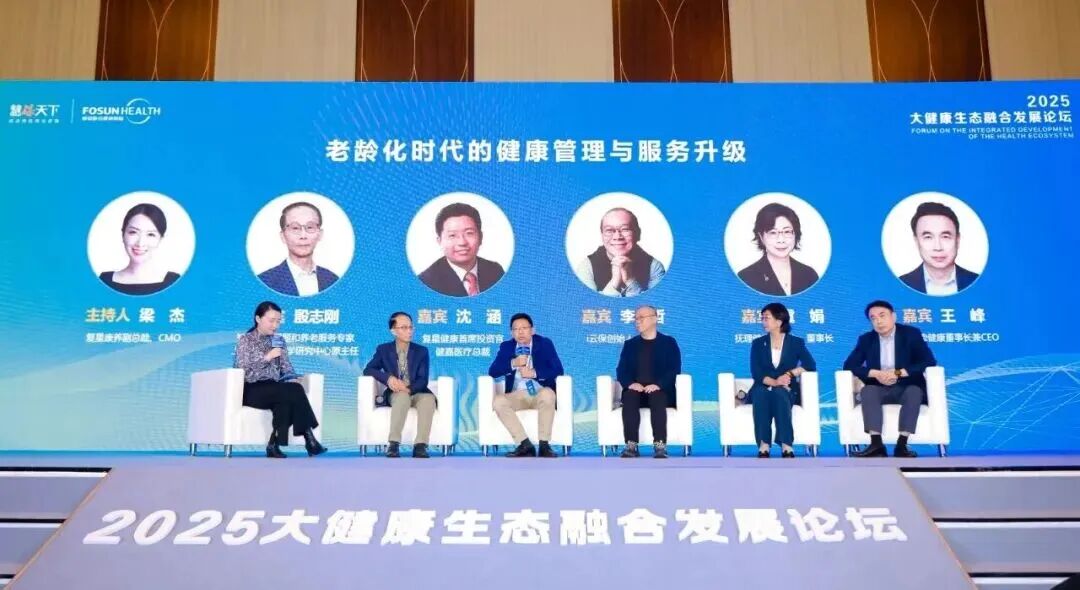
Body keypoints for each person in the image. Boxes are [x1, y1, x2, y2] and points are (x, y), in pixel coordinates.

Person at [843, 300, 937, 458]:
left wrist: (898, 373)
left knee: (914, 392)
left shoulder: (911, 334)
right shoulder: (866, 339)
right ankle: (876, 444)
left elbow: (928, 361)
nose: (878, 321)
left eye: (882, 316)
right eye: (873, 318)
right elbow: (849, 365)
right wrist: (876, 374)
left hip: (907, 385)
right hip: (879, 387)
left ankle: (902, 445)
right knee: (868, 391)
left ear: (893, 316)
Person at [233, 301, 326, 458]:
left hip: (274, 388)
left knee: (288, 397)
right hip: (252, 388)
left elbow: (286, 367)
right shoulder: (246, 340)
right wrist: (267, 357)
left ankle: (274, 445)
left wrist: (292, 378)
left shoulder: (279, 341)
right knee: (293, 392)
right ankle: (309, 439)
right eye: (271, 321)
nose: (275, 325)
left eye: (278, 321)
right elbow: (243, 371)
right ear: (258, 319)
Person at [487, 313, 565, 458]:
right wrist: (513, 363)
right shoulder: (507, 347)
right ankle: (524, 444)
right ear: (512, 333)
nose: (520, 332)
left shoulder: (544, 344)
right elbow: (493, 371)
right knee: (498, 401)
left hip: (539, 392)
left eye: (524, 328)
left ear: (532, 330)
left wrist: (534, 373)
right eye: (516, 329)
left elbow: (558, 370)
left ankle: (544, 445)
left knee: (548, 394)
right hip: (517, 394)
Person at [362, 312, 436, 458]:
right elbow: (368, 369)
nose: (409, 331)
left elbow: (423, 380)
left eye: (411, 327)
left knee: (428, 399)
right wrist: (388, 378)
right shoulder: (383, 350)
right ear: (393, 331)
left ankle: (420, 446)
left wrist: (408, 389)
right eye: (404, 328)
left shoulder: (421, 351)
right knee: (402, 397)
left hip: (417, 391)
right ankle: (393, 444)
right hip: (396, 393)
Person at [748, 302, 816, 458]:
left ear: (779, 321)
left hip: (786, 386)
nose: (763, 322)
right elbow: (756, 372)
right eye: (762, 318)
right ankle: (764, 445)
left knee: (780, 394)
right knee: (760, 394)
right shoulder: (758, 343)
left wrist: (790, 374)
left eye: (767, 318)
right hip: (763, 384)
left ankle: (786, 444)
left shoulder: (796, 343)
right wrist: (774, 382)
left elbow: (810, 365)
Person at [616, 305, 681, 458]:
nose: (637, 321)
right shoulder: (630, 344)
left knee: (658, 397)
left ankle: (660, 445)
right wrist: (631, 384)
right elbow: (621, 370)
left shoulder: (669, 342)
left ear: (654, 319)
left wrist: (658, 384)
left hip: (660, 390)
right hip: (636, 390)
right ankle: (631, 445)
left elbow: (674, 369)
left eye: (641, 318)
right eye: (636, 318)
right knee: (630, 396)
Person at [418, 202, 505, 297]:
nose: (462, 242)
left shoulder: (495, 271)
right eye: (452, 235)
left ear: (480, 237)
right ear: (440, 241)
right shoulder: (426, 282)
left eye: (469, 233)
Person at [575, 207, 666, 297]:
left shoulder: (654, 267)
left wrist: (630, 280)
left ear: (638, 234)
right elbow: (590, 303)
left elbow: (653, 304)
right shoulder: (586, 267)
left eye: (625, 229)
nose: (617, 237)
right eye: (609, 230)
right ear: (602, 236)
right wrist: (614, 283)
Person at [257, 202, 340, 296]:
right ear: (283, 236)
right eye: (295, 228)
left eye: (310, 227)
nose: (303, 236)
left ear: (320, 234)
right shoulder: (264, 281)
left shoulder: (333, 280)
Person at [737, 203, 819, 296]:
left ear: (795, 234)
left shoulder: (809, 274)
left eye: (787, 231)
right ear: (761, 237)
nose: (781, 240)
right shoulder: (746, 277)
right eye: (773, 232)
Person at [98, 203, 181, 295]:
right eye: (133, 232)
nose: (140, 243)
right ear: (123, 235)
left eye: (150, 234)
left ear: (160, 239)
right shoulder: (104, 280)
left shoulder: (174, 281)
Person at [899, 202, 979, 295]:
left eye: (945, 237)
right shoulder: (901, 284)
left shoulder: (977, 281)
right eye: (928, 237)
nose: (938, 247)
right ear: (916, 241)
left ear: (957, 240)